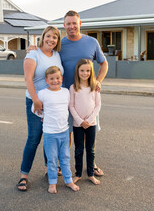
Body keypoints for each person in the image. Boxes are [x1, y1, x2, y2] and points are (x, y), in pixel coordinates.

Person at [28, 10, 108, 177]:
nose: (72, 26)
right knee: (68, 133)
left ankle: (91, 165)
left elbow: (104, 63)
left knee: (88, 133)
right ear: (64, 26)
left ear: (80, 24)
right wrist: (34, 47)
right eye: (68, 23)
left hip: (88, 97)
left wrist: (98, 81)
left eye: (74, 23)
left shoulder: (92, 42)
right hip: (67, 97)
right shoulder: (60, 44)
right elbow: (47, 51)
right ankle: (59, 165)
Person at [17, 26, 64, 191]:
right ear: (43, 37)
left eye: (55, 38)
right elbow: (28, 79)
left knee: (50, 137)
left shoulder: (57, 55)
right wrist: (36, 100)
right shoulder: (33, 53)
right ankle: (24, 176)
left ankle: (48, 168)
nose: (51, 40)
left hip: (52, 103)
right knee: (34, 139)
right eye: (49, 36)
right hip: (35, 102)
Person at [36, 66, 79, 194]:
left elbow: (68, 107)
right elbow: (36, 108)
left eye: (57, 78)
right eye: (52, 79)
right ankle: (52, 182)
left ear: (61, 78)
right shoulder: (43, 93)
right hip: (50, 133)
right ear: (46, 80)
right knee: (52, 159)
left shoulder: (65, 91)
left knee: (65, 157)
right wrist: (43, 116)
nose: (55, 81)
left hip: (64, 131)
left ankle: (68, 180)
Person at [69, 59, 101, 185]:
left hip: (91, 123)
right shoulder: (73, 87)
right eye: (82, 70)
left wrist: (88, 120)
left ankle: (90, 174)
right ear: (78, 71)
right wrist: (80, 121)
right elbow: (71, 106)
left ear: (91, 72)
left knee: (90, 149)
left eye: (88, 70)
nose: (85, 73)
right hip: (78, 124)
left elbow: (98, 105)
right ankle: (77, 174)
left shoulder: (94, 86)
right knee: (78, 149)